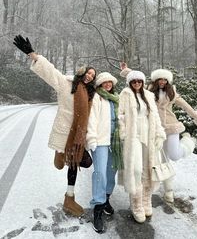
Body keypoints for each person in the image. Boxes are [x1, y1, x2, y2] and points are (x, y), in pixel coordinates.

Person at [13, 34, 96, 217]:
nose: (90, 77)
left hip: (78, 136)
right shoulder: (66, 84)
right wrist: (33, 55)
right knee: (72, 164)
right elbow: (49, 71)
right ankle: (70, 197)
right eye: (88, 73)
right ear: (82, 72)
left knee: (86, 162)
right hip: (65, 130)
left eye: (93, 75)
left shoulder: (91, 95)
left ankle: (61, 157)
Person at [120, 63, 197, 203]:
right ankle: (169, 190)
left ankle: (188, 142)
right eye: (160, 79)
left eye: (165, 80)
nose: (162, 82)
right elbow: (137, 78)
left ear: (168, 81)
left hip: (171, 127)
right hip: (154, 129)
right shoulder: (148, 90)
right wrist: (126, 71)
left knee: (174, 155)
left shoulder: (172, 93)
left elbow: (186, 106)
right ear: (155, 80)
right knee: (162, 159)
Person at [118, 70, 166, 223]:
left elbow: (155, 116)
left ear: (143, 82)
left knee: (148, 168)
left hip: (148, 135)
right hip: (134, 137)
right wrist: (124, 134)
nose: (137, 84)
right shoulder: (125, 94)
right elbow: (120, 116)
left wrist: (160, 134)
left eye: (139, 81)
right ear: (130, 83)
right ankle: (136, 204)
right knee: (136, 169)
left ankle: (146, 200)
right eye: (134, 82)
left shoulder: (149, 96)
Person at [86, 72, 123, 233]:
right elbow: (92, 118)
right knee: (100, 173)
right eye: (104, 82)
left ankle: (106, 198)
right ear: (100, 85)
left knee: (111, 172)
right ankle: (98, 208)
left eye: (110, 82)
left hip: (115, 141)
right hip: (100, 141)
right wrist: (92, 138)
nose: (108, 84)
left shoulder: (117, 98)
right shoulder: (97, 97)